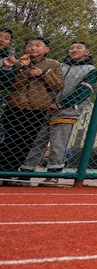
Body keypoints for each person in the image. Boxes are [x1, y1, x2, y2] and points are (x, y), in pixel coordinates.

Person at [22, 41, 96, 183]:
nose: (74, 50)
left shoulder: (90, 69)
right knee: (36, 142)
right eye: (72, 47)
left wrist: (60, 104)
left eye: (79, 48)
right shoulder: (59, 66)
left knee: (58, 144)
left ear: (87, 52)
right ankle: (26, 171)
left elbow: (84, 91)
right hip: (45, 109)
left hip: (67, 111)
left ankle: (53, 174)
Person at [0, 36, 63, 175]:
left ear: (47, 49)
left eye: (37, 45)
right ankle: (3, 169)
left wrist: (43, 73)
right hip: (15, 106)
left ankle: (10, 172)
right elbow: (15, 85)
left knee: (25, 142)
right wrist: (23, 69)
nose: (32, 48)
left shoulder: (54, 65)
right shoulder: (16, 62)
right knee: (8, 139)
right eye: (29, 45)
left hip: (37, 109)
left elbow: (58, 86)